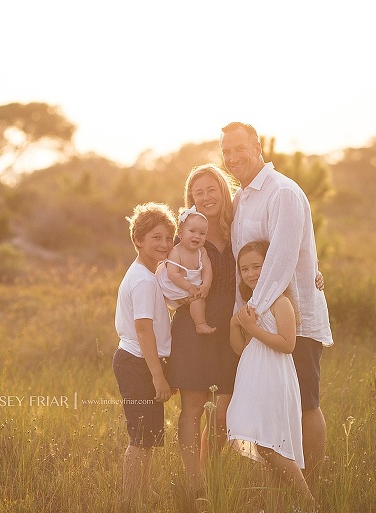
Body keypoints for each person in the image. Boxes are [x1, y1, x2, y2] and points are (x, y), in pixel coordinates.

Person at [221, 121, 334, 491]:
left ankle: (311, 485)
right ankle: (286, 485)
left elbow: (282, 259)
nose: (233, 156)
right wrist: (244, 318)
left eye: (240, 148)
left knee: (304, 402)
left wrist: (252, 315)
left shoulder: (282, 192)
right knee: (272, 408)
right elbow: (245, 262)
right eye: (226, 151)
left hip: (290, 320)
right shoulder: (242, 197)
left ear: (258, 147)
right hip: (257, 321)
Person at [166, 164, 240, 505]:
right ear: (191, 200)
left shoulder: (239, 228)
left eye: (212, 189)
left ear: (224, 191)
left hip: (231, 327)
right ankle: (194, 485)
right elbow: (160, 271)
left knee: (224, 409)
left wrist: (313, 273)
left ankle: (213, 476)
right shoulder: (186, 237)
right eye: (199, 193)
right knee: (193, 406)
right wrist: (178, 294)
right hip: (194, 326)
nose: (207, 197)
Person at [228, 240, 316, 512]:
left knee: (270, 443)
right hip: (251, 373)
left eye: (257, 266)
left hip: (273, 375)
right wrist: (235, 324)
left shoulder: (281, 302)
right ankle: (276, 504)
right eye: (245, 269)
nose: (251, 273)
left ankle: (308, 503)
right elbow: (241, 348)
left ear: (271, 266)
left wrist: (251, 327)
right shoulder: (252, 303)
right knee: (258, 438)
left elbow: (287, 344)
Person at [112, 202, 177, 512]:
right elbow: (143, 331)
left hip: (143, 362)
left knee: (149, 436)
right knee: (140, 438)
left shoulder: (151, 275)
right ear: (138, 240)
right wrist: (158, 375)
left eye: (168, 238)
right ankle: (128, 501)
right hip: (138, 364)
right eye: (156, 238)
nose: (164, 244)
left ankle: (144, 494)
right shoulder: (141, 279)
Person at [156, 206, 216, 335]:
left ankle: (200, 324)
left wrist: (206, 285)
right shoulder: (176, 252)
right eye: (192, 231)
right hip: (174, 285)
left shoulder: (202, 251)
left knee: (198, 299)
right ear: (180, 233)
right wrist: (189, 287)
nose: (197, 236)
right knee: (194, 297)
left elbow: (207, 269)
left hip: (190, 285)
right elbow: (173, 274)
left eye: (202, 233)